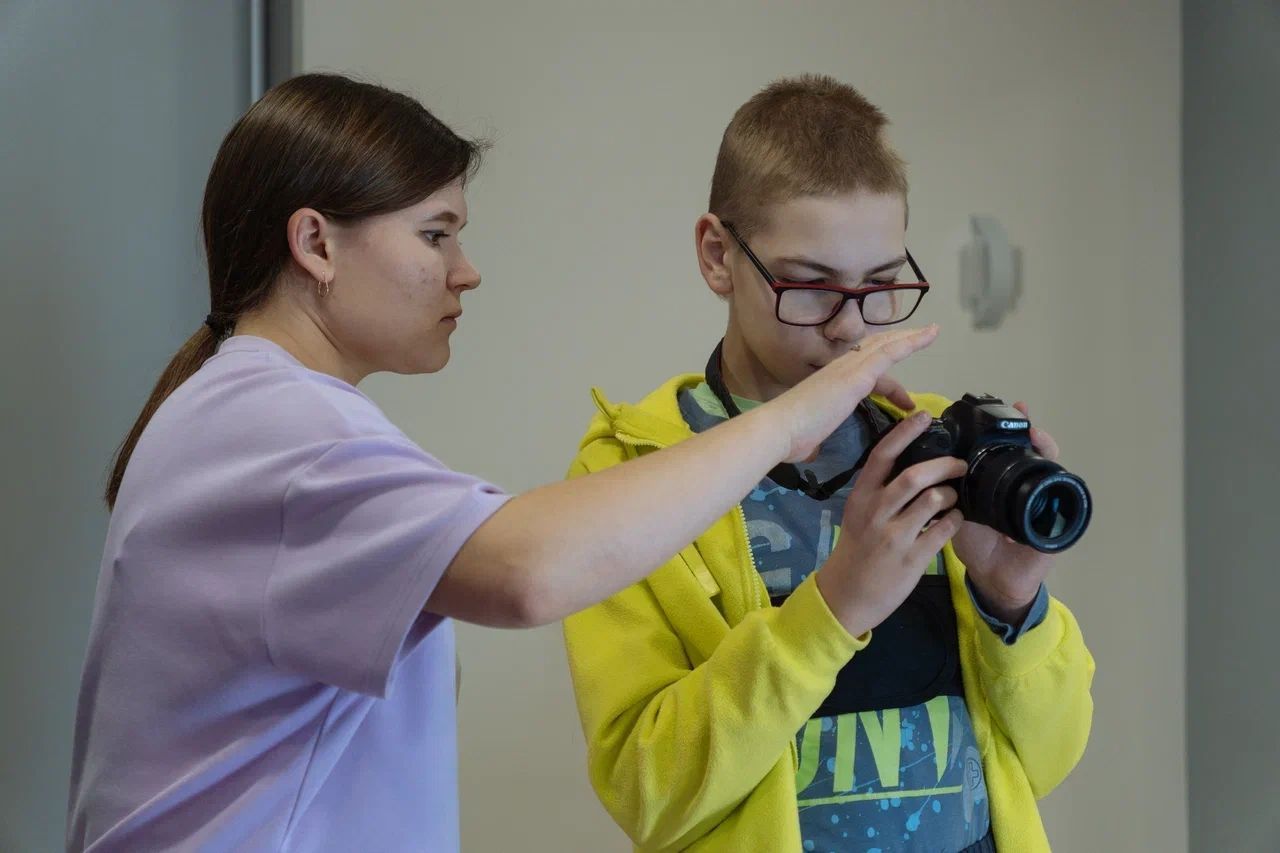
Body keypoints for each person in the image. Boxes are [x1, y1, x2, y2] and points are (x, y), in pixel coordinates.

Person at [65, 73, 937, 853]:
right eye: (435, 234)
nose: (466, 271)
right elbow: (529, 571)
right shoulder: (273, 426)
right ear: (317, 244)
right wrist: (789, 422)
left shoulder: (253, 413)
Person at [562, 75, 1094, 852]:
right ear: (718, 255)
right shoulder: (633, 475)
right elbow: (651, 793)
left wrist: (1012, 601)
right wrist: (837, 604)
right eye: (810, 286)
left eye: (881, 285)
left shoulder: (932, 444)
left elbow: (1049, 757)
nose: (851, 328)